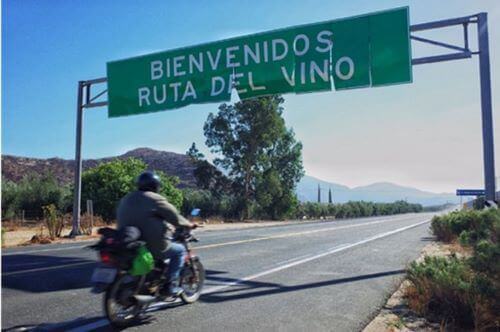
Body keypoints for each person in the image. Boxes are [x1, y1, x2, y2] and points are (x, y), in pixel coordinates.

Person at [117, 171, 196, 296]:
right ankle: (170, 285)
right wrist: (189, 224)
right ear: (155, 186)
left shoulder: (127, 198)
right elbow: (175, 217)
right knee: (180, 251)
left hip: (128, 241)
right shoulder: (155, 199)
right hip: (151, 244)